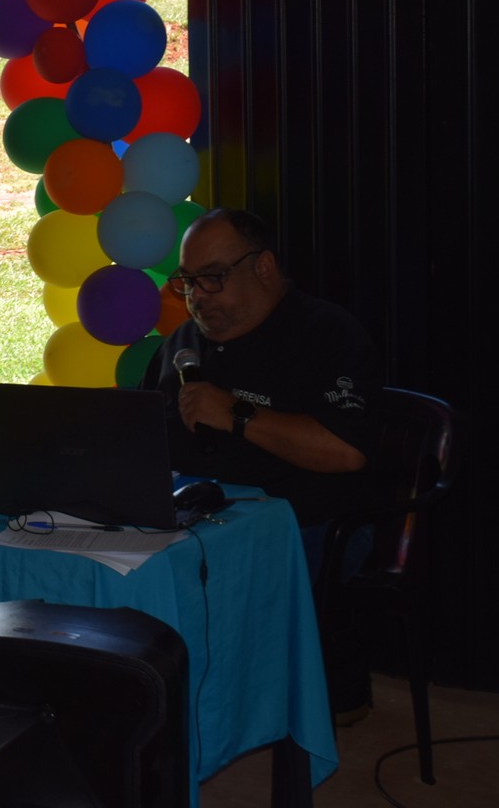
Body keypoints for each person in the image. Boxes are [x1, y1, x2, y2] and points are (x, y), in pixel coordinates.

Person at [148, 206, 383, 717]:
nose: (197, 299)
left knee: (209, 578)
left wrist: (236, 413)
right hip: (193, 516)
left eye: (213, 279)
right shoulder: (182, 345)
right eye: (187, 283)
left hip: (307, 520)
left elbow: (345, 452)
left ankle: (233, 704)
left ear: (264, 268)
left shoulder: (326, 333)